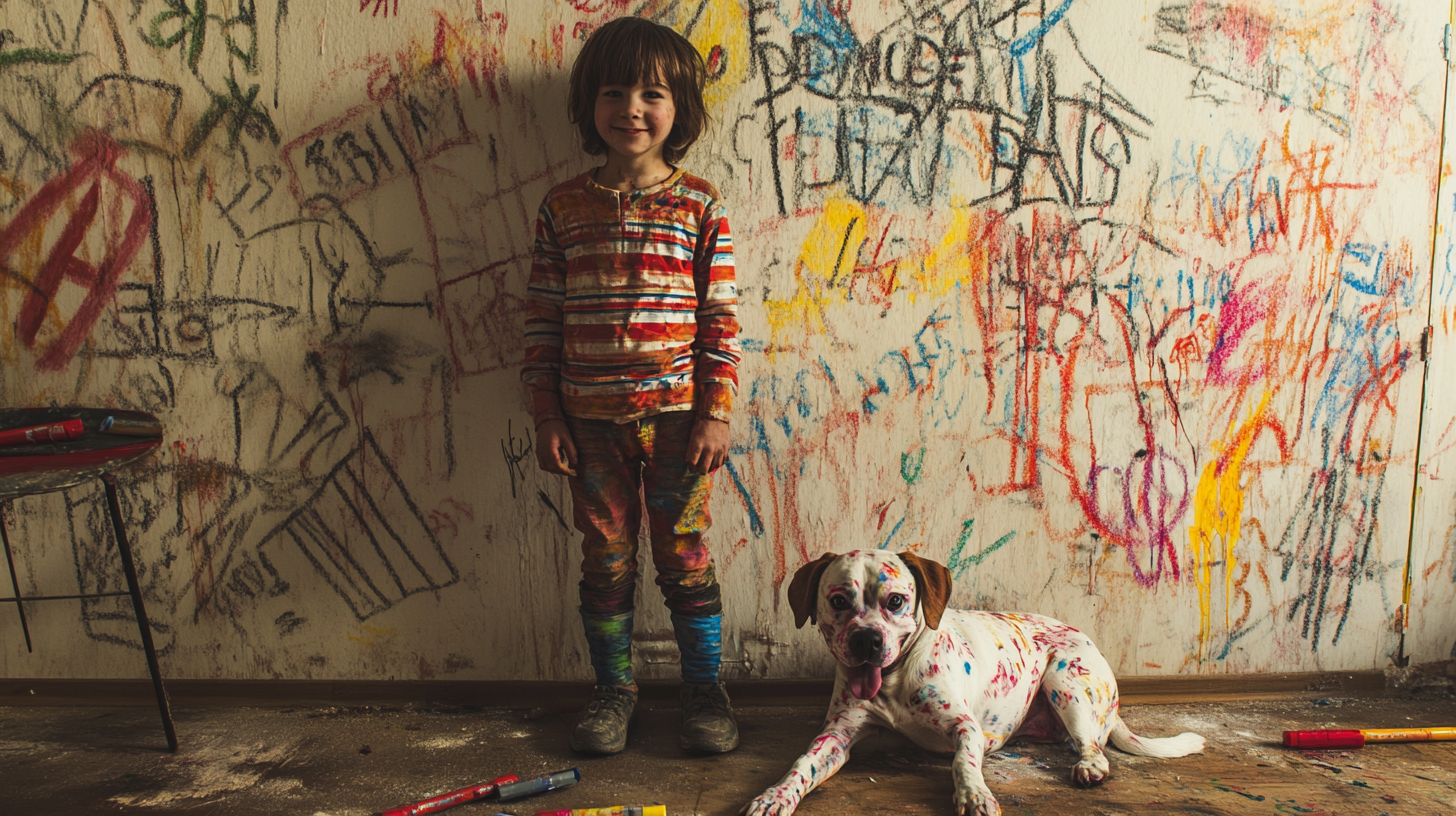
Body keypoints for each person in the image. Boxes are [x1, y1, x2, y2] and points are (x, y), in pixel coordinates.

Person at [521, 16, 741, 756]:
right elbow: (542, 320)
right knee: (605, 558)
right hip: (588, 423)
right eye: (614, 92)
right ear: (590, 105)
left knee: (683, 557)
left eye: (652, 93)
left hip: (681, 420)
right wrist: (546, 413)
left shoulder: (701, 206)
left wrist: (716, 410)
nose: (632, 109)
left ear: (680, 107)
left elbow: (720, 321)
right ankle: (614, 689)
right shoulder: (563, 207)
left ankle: (703, 692)